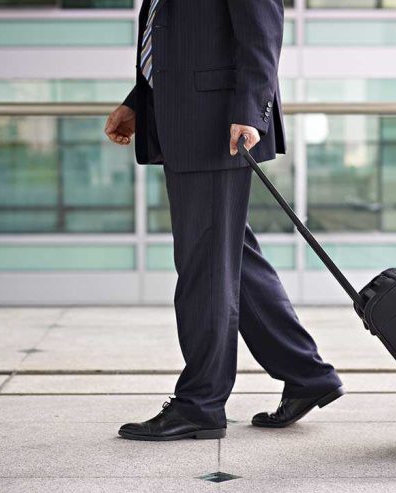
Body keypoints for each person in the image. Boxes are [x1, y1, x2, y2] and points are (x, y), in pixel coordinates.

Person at [104, 0, 343, 441]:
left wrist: (250, 113)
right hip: (187, 124)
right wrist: (139, 102)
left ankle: (201, 403)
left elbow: (262, 34)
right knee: (232, 259)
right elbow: (176, 35)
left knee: (206, 267)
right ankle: (307, 373)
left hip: (219, 129)